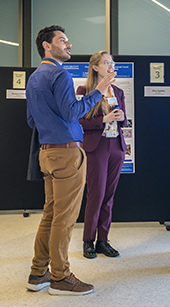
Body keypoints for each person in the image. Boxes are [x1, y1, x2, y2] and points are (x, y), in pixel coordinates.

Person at [25, 25, 116, 296]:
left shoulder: (34, 77)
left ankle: (37, 272)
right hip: (67, 153)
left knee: (50, 214)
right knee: (64, 219)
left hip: (46, 153)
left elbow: (31, 120)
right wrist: (98, 90)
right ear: (46, 46)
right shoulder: (59, 75)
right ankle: (61, 277)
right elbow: (72, 112)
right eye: (62, 41)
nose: (69, 45)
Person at [76, 51, 127, 259]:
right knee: (96, 195)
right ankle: (88, 240)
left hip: (116, 146)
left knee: (109, 196)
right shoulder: (85, 90)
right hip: (97, 147)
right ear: (95, 67)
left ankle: (103, 241)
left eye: (112, 62)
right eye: (107, 62)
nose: (111, 65)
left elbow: (123, 120)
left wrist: (121, 117)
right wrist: (103, 119)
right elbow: (79, 121)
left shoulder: (118, 91)